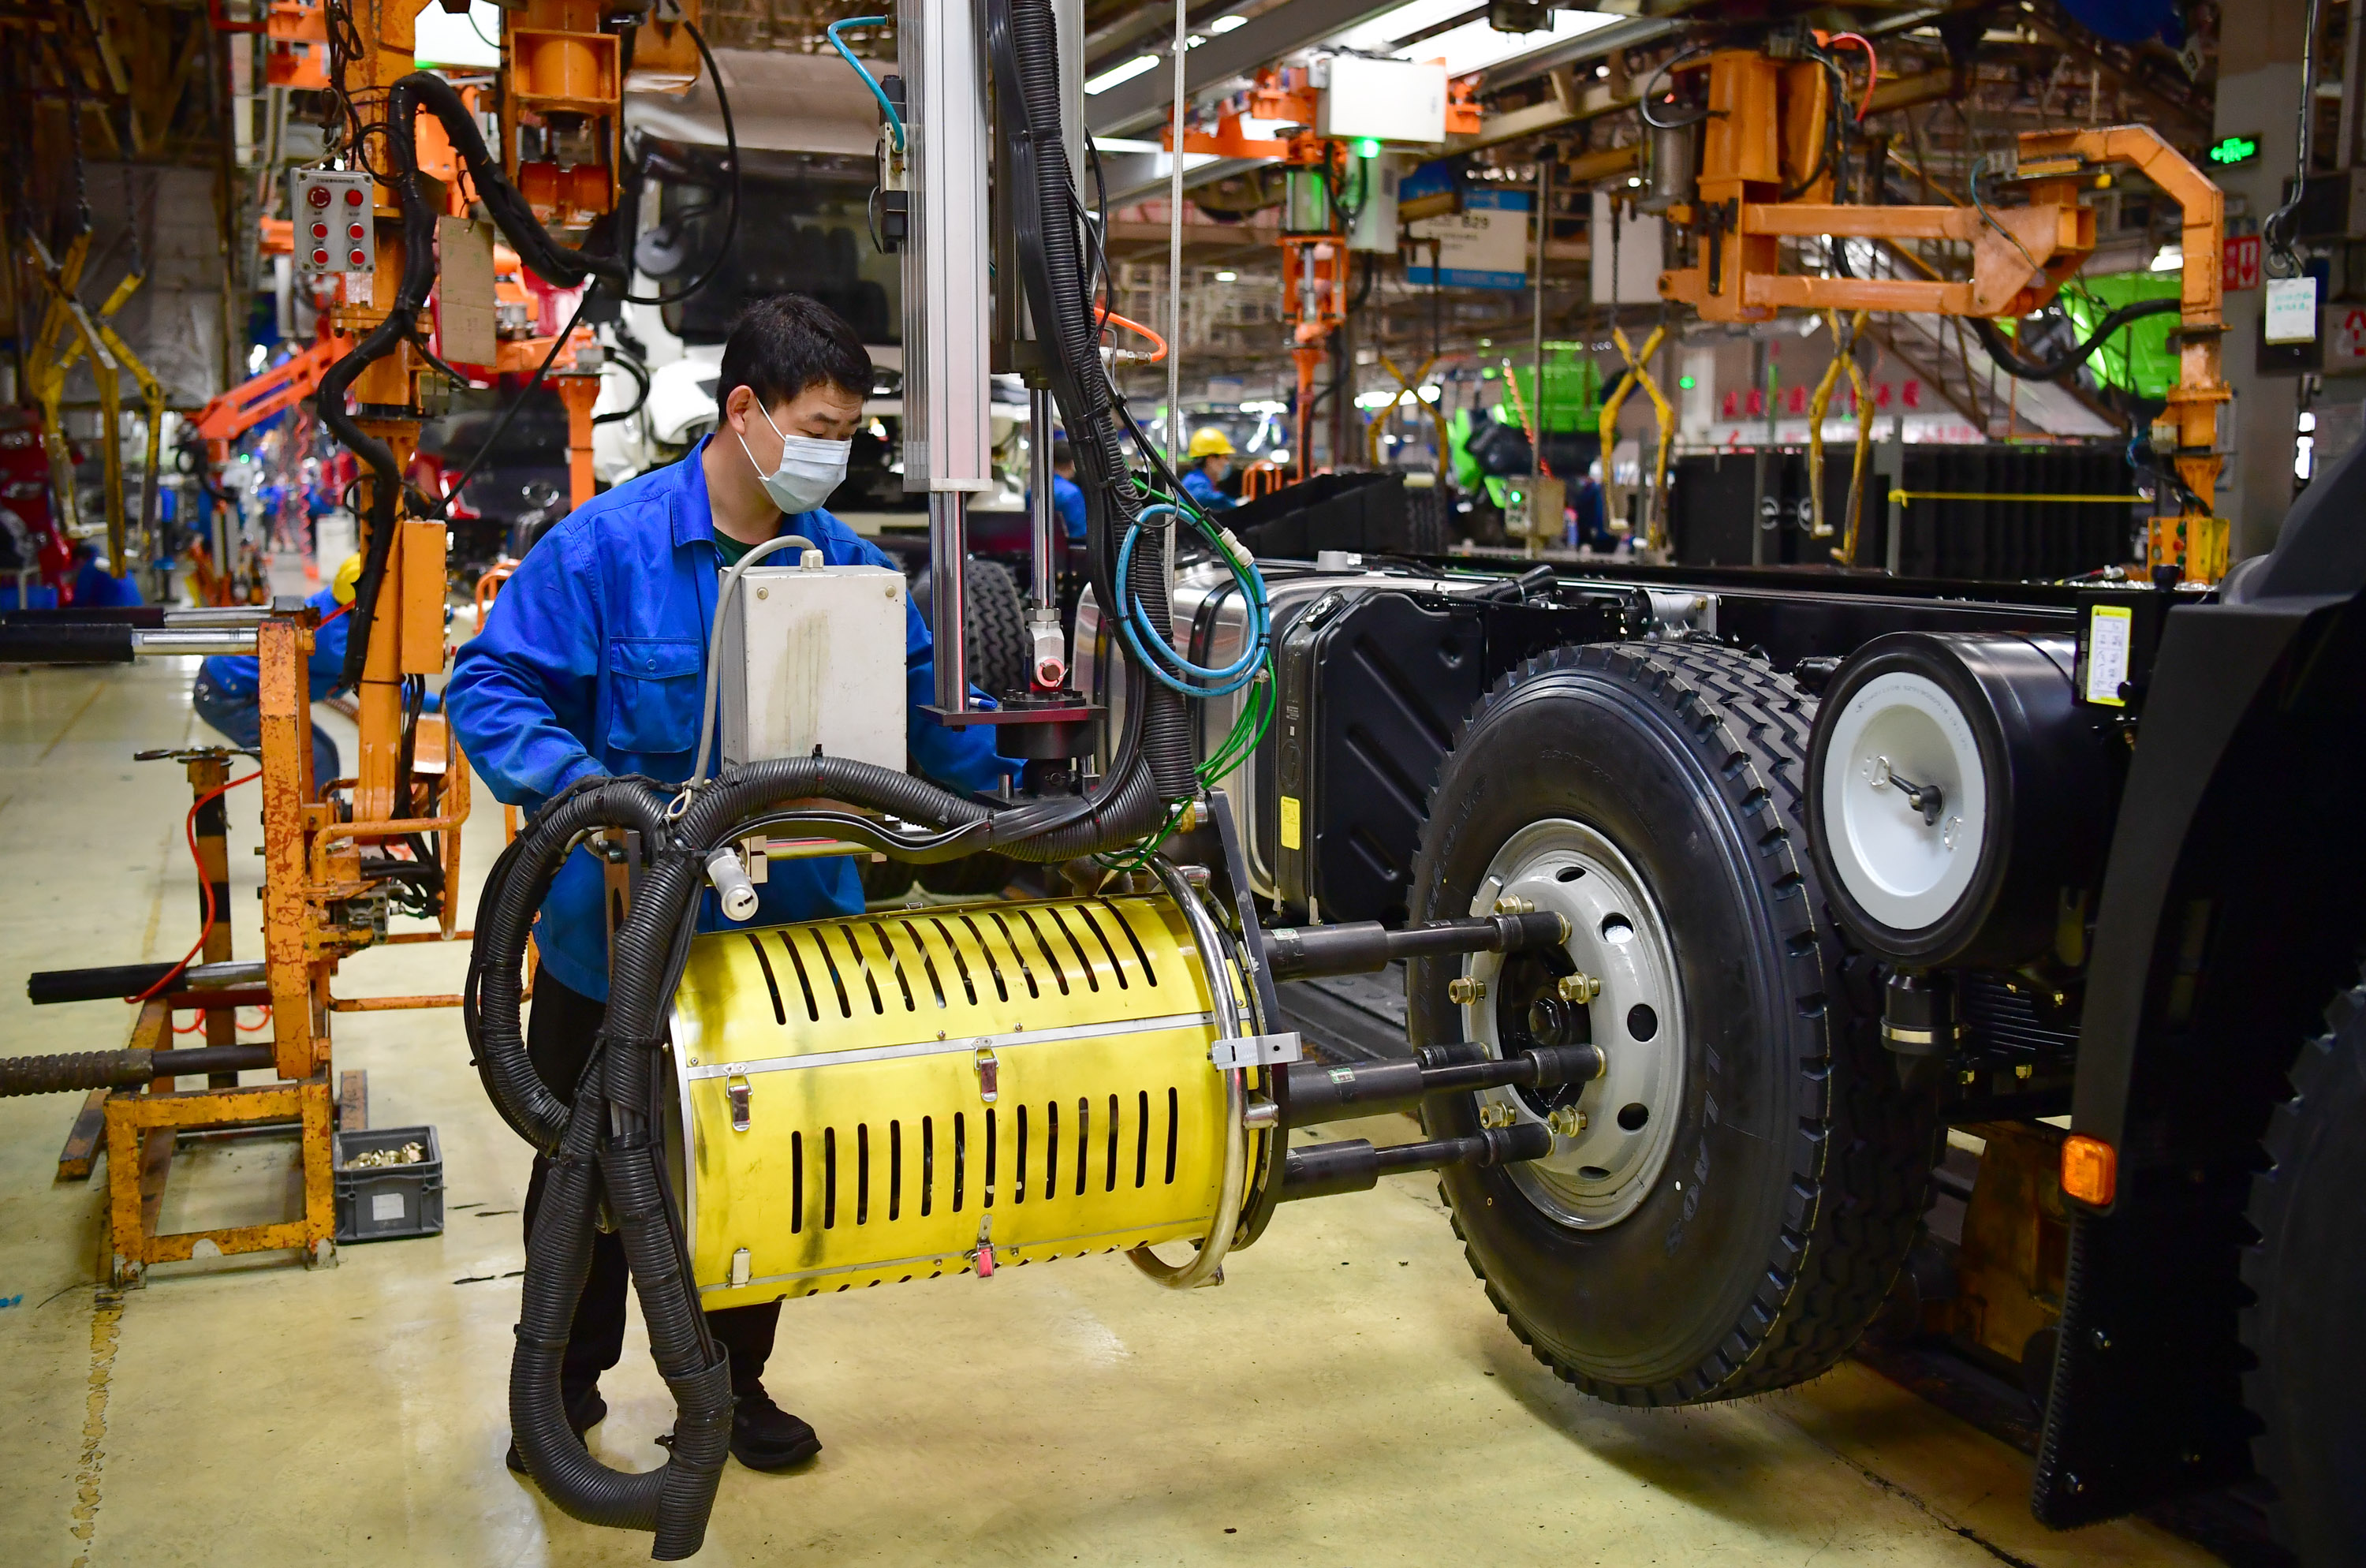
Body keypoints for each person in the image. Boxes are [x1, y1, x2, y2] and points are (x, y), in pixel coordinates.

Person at [445, 293, 1013, 1480]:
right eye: (818, 424)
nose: (836, 452)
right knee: (590, 1173)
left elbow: (935, 749)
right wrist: (594, 791)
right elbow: (491, 687)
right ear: (744, 411)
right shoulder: (607, 550)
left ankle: (730, 1386)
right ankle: (562, 1385)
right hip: (618, 948)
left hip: (785, 957)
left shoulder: (852, 575)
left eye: (852, 431)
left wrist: (1031, 797)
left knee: (763, 1178)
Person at [192, 552, 355, 788]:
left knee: (324, 752)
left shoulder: (334, 597)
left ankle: (319, 816)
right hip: (228, 696)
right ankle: (310, 822)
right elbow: (386, 682)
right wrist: (429, 707)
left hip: (234, 687)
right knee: (314, 761)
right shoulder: (335, 642)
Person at [1180, 427, 1237, 512]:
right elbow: (1209, 499)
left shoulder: (1200, 479)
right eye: (1225, 458)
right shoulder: (1196, 482)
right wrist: (1234, 504)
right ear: (1211, 459)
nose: (1227, 463)